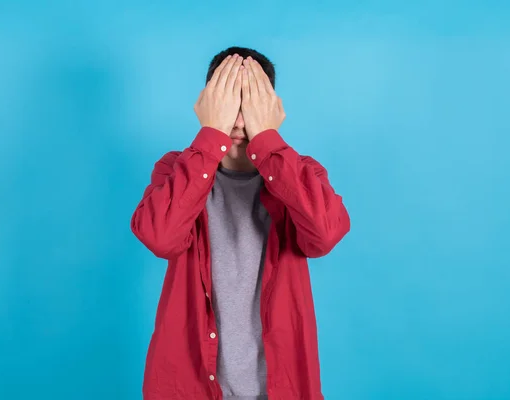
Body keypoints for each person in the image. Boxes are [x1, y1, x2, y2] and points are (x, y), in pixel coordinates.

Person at [131, 46, 350, 400]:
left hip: (280, 389)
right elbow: (161, 238)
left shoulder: (301, 174)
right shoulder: (175, 170)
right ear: (209, 105)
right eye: (229, 102)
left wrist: (268, 142)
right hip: (189, 387)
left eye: (250, 104)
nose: (237, 121)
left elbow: (324, 236)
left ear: (269, 108)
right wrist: (210, 136)